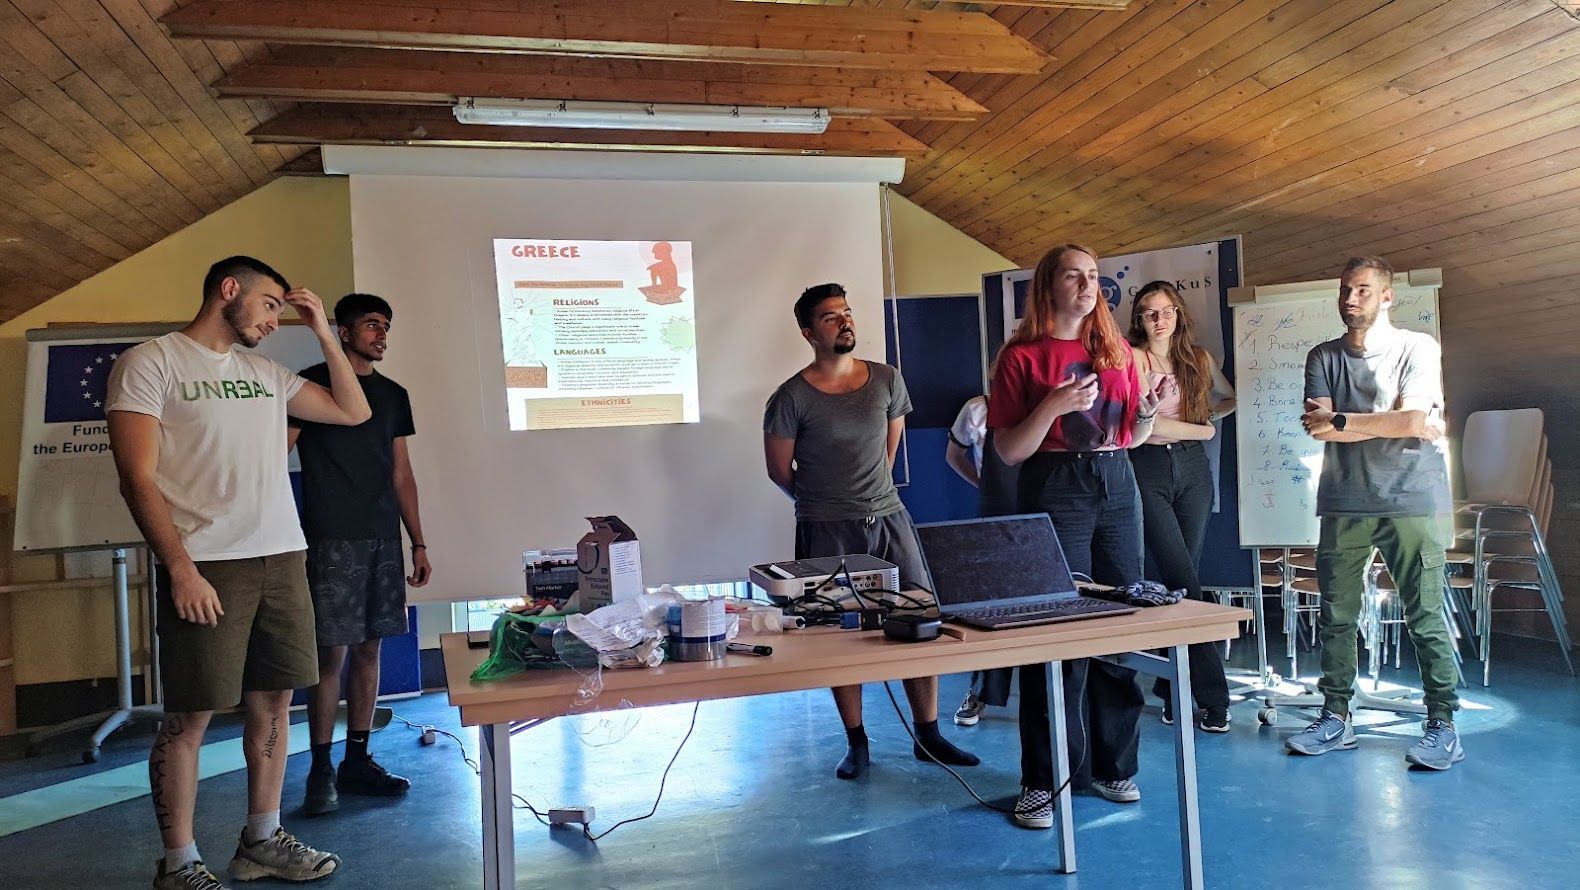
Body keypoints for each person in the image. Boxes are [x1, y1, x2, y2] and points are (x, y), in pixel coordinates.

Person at [108, 256, 371, 889]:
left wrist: (324, 331)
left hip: (281, 556)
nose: (275, 319)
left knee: (274, 700)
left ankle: (261, 839)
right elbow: (136, 478)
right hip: (206, 563)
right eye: (270, 304)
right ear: (230, 290)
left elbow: (352, 411)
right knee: (191, 716)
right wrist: (180, 568)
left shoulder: (264, 373)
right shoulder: (152, 362)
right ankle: (178, 863)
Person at [764, 282, 978, 780]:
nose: (844, 321)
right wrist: (825, 506)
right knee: (839, 635)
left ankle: (928, 734)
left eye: (847, 312)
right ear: (808, 332)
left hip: (889, 520)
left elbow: (888, 452)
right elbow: (778, 470)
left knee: (918, 618)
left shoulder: (886, 380)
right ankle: (856, 741)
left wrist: (869, 499)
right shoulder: (791, 397)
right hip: (826, 528)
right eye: (830, 317)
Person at [988, 244, 1161, 828]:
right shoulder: (1021, 357)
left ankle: (1114, 766)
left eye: (1093, 276)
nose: (1088, 286)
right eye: (1074, 276)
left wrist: (1150, 411)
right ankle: (1042, 781)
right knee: (1054, 631)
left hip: (1117, 481)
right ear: (1049, 286)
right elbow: (1010, 450)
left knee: (1120, 621)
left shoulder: (1116, 351)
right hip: (1054, 482)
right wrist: (1054, 405)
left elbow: (1133, 435)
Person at [1288, 256, 1460, 769]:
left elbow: (1410, 420)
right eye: (1345, 289)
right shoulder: (1323, 356)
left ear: (1387, 296)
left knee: (1424, 615)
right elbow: (1322, 428)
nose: (1350, 299)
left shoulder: (1417, 347)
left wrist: (1346, 420)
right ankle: (1336, 717)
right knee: (1336, 617)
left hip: (1411, 500)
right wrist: (1393, 422)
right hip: (1343, 501)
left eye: (1362, 289)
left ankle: (1443, 725)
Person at [290, 293, 432, 816]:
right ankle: (320, 769)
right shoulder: (308, 385)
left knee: (370, 651)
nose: (382, 334)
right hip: (330, 538)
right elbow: (273, 455)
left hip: (381, 539)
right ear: (344, 332)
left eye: (386, 326)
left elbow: (402, 474)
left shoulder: (393, 395)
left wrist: (418, 541)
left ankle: (356, 760)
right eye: (372, 325)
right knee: (331, 655)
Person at [1126, 281, 1237, 732]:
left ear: (1179, 314)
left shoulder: (1199, 359)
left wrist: (1207, 420)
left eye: (1167, 310)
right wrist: (1202, 430)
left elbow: (1229, 398)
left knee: (1181, 583)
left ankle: (1171, 688)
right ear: (1139, 318)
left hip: (1193, 472)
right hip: (1147, 469)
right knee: (1184, 581)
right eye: (1150, 312)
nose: (1160, 319)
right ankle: (1214, 695)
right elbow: (1145, 428)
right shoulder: (1134, 359)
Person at [944, 394, 1018, 727]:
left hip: (1051, 512)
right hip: (997, 514)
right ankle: (982, 692)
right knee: (996, 608)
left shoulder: (1053, 403)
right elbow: (953, 455)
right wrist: (983, 484)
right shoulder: (978, 408)